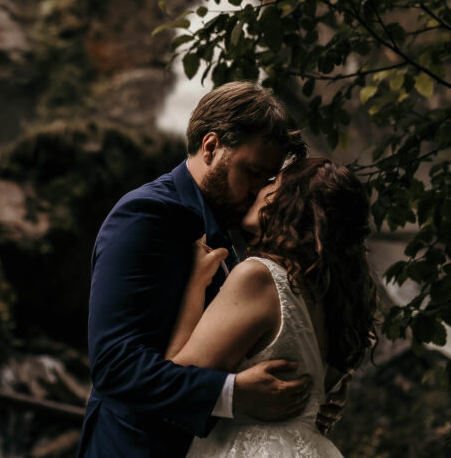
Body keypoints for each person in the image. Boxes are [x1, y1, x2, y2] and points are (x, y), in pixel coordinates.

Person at [78, 82, 317, 458]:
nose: (260, 191)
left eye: (268, 179)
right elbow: (115, 366)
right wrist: (233, 394)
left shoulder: (231, 223)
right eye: (252, 172)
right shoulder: (146, 217)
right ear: (211, 147)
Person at [169, 157, 378, 457]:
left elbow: (177, 380)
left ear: (291, 202)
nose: (260, 190)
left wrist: (194, 286)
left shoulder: (260, 277)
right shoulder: (339, 303)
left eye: (273, 184)